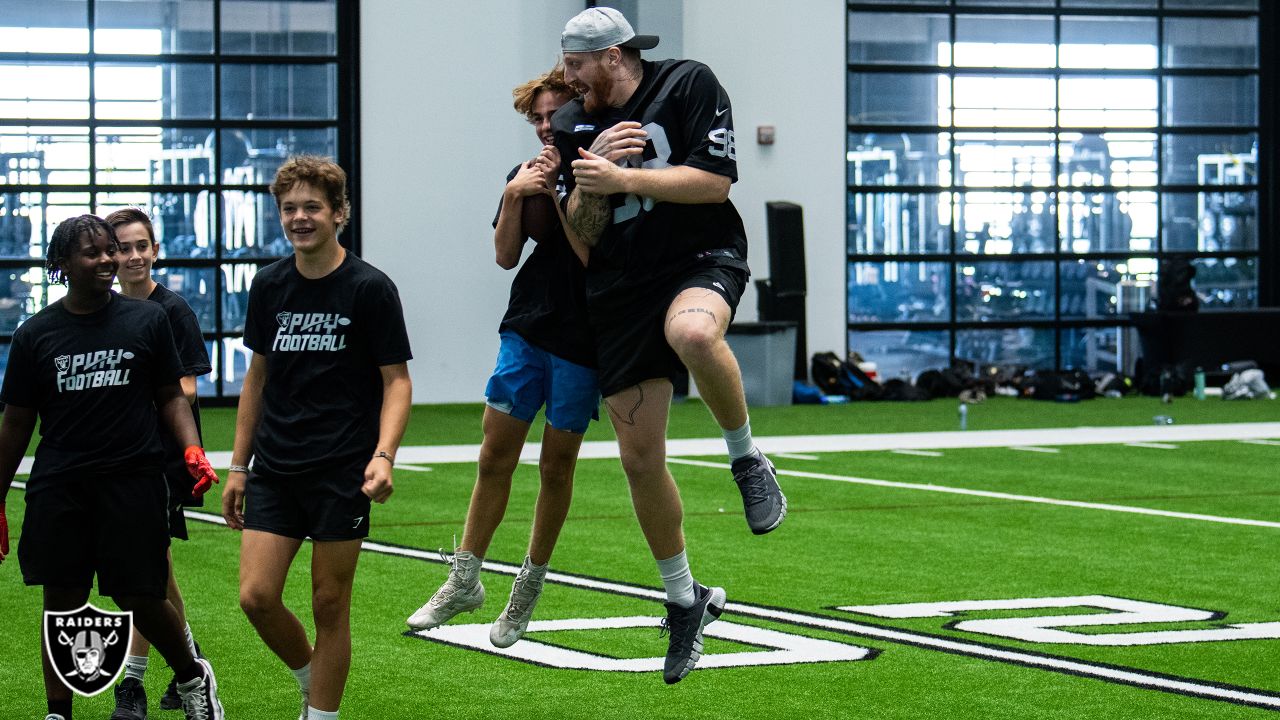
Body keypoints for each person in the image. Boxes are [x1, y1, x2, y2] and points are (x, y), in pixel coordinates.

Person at [551, 8, 787, 683]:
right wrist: (596, 175)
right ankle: (684, 598)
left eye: (576, 65)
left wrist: (629, 177)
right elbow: (586, 231)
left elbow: (714, 182)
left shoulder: (688, 84)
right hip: (622, 287)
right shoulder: (575, 125)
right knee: (638, 458)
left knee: (690, 331)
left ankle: (746, 460)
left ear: (615, 56)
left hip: (698, 257)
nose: (568, 80)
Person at [0, 214, 223, 720]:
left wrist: (191, 449)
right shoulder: (35, 335)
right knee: (62, 602)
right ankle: (59, 712)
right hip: (61, 485)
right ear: (61, 264)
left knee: (139, 595)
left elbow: (171, 397)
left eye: (111, 251)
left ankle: (191, 676)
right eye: (93, 253)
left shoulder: (148, 321)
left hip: (132, 479)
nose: (108, 260)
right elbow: (16, 423)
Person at [406, 66, 597, 648]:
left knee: (556, 467)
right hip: (527, 326)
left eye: (554, 115)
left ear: (577, 112)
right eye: (537, 118)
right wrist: (516, 193)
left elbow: (593, 256)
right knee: (494, 455)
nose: (544, 127)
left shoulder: (602, 169)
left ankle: (527, 591)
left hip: (584, 340)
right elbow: (505, 256)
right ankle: (464, 578)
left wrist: (563, 189)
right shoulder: (525, 172)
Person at [221, 155, 412, 720]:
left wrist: (384, 455)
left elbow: (396, 382)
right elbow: (257, 378)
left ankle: (321, 714)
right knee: (256, 597)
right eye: (289, 208)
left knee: (330, 603)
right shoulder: (269, 285)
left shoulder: (370, 288)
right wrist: (237, 466)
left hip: (342, 470)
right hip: (275, 468)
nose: (299, 218)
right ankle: (312, 675)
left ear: (339, 213)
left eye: (312, 207)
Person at [105, 208, 214, 720]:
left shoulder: (172, 311)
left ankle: (132, 683)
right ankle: (189, 665)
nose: (132, 256)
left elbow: (187, 386)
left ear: (154, 250)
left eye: (140, 246)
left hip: (164, 459)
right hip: (115, 460)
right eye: (122, 248)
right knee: (157, 574)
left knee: (146, 570)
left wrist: (126, 401)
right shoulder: (101, 311)